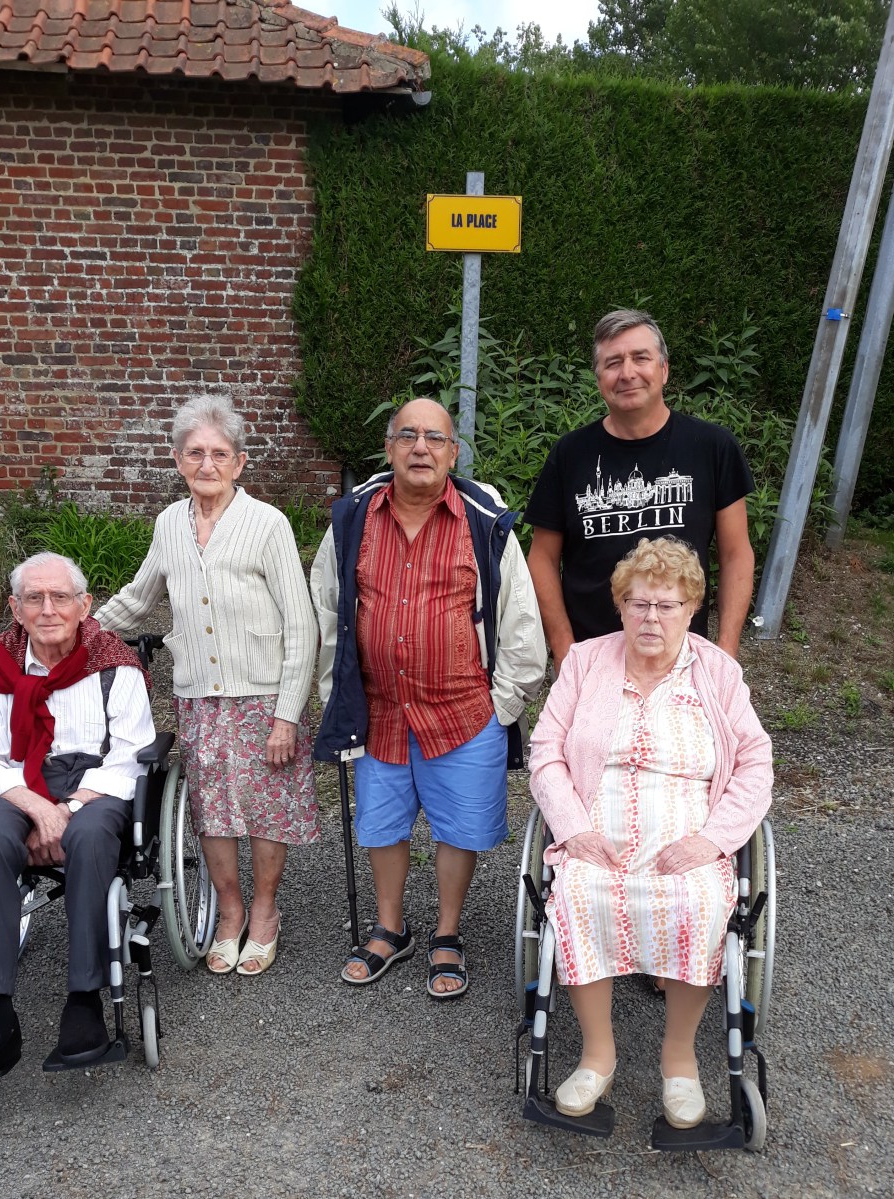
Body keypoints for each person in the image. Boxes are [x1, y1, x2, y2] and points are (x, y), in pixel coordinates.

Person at [528, 536, 772, 1128]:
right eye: (638, 603)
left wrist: (713, 841)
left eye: (667, 606)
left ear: (692, 609)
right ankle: (597, 1055)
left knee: (703, 901)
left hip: (688, 832)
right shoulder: (586, 663)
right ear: (620, 606)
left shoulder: (717, 673)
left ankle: (679, 1059)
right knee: (578, 893)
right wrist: (573, 829)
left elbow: (755, 763)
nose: (651, 618)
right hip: (598, 829)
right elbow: (546, 752)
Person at [311, 397, 546, 998]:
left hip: (464, 711)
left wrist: (502, 705)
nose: (421, 447)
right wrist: (336, 695)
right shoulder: (353, 518)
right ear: (389, 448)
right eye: (408, 436)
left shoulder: (483, 522)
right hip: (380, 710)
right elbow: (328, 610)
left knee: (459, 829)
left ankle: (447, 933)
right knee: (380, 825)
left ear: (453, 453)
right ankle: (391, 929)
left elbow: (520, 619)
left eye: (435, 438)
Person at [96, 395, 319, 977]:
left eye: (219, 453)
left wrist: (287, 715)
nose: (207, 464)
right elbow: (139, 598)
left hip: (263, 696)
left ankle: (264, 913)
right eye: (195, 452)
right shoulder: (169, 524)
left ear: (239, 462)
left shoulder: (267, 524)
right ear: (178, 460)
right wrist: (76, 630)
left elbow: (301, 624)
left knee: (266, 809)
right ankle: (229, 911)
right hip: (198, 696)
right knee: (212, 809)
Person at [0, 552, 156, 1093]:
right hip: (19, 781)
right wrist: (37, 808)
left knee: (88, 836)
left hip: (96, 783)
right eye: (33, 598)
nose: (47, 609)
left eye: (60, 597)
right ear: (15, 608)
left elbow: (130, 755)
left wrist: (68, 809)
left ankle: (84, 1001)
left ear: (85, 605)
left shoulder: (115, 665)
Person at [525, 309, 755, 671]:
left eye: (640, 358)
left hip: (681, 656)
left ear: (663, 369)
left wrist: (724, 652)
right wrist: (564, 649)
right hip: (590, 658)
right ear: (599, 379)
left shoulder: (712, 447)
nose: (627, 373)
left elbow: (736, 554)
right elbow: (541, 558)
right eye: (613, 362)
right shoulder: (570, 454)